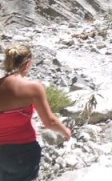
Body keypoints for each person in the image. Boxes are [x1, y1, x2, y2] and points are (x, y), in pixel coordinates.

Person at [0, 43, 71, 180]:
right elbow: (50, 122)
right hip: (23, 152)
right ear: (27, 63)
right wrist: (65, 132)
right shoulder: (32, 88)